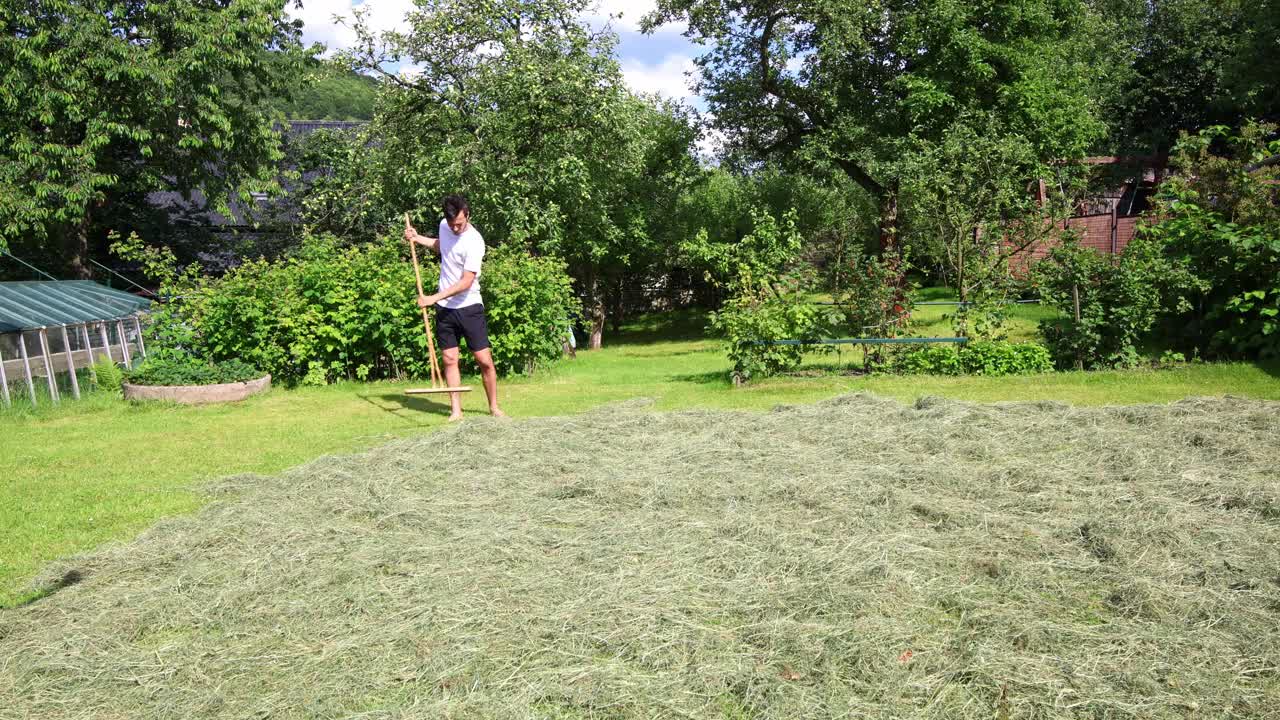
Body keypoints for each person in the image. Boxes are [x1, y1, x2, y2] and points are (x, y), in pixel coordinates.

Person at [405, 194, 505, 421]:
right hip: (445, 310)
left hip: (469, 307)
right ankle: (456, 410)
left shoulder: (475, 241)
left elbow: (466, 282)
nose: (456, 228)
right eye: (452, 224)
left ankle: (494, 407)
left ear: (468, 215)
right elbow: (442, 247)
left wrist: (433, 298)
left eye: (460, 223)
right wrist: (417, 237)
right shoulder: (444, 226)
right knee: (450, 359)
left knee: (484, 360)